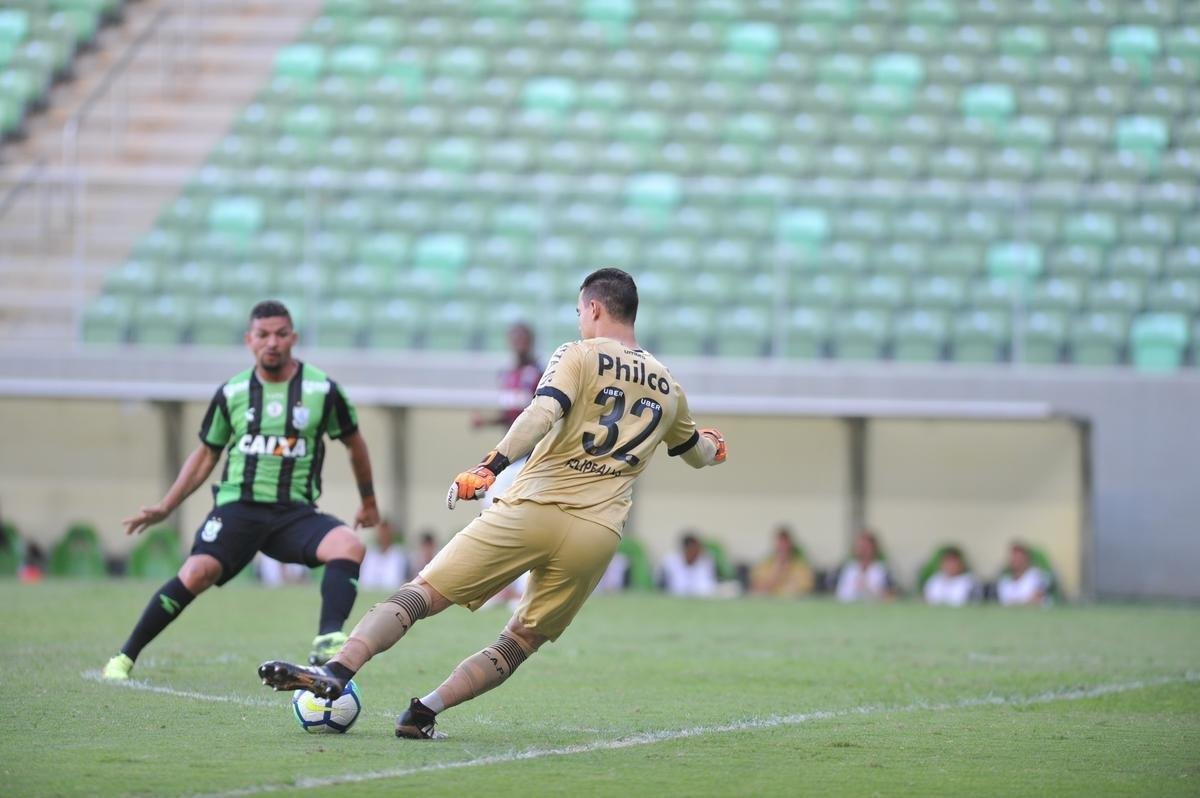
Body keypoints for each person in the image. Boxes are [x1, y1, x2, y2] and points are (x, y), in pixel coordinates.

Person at [257, 267, 728, 740]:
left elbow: (543, 412)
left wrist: (491, 465)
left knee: (422, 595)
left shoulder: (578, 353)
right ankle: (425, 712)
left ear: (594, 308)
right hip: (597, 536)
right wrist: (711, 444)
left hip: (535, 508)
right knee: (520, 640)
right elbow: (696, 455)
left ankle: (338, 670)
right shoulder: (668, 385)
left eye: (579, 310)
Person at [102, 300, 378, 681]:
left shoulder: (321, 389)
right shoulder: (232, 392)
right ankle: (123, 658)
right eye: (263, 335)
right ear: (249, 340)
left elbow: (355, 444)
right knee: (197, 571)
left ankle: (328, 639)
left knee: (349, 545)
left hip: (293, 514)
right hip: (239, 509)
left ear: (293, 338)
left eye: (281, 334)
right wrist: (166, 506)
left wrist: (368, 503)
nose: (272, 343)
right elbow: (205, 455)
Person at [749, 526, 814, 598]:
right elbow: (756, 588)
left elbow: (806, 589)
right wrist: (776, 573)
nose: (782, 547)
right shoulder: (765, 564)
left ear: (790, 545)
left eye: (785, 543)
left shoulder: (800, 566)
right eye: (780, 544)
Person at [835, 529, 894, 602]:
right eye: (860, 546)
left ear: (874, 548)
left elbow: (890, 596)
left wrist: (870, 589)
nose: (863, 549)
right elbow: (840, 594)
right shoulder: (849, 568)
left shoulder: (882, 569)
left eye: (866, 546)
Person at [659, 532, 719, 597]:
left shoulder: (706, 561)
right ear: (686, 549)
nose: (698, 551)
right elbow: (668, 586)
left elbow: (709, 588)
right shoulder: (670, 561)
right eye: (694, 548)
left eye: (699, 548)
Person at [359, 519, 409, 590]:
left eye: (386, 531)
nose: (384, 535)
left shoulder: (400, 556)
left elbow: (399, 581)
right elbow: (364, 580)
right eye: (381, 531)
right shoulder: (369, 554)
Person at [996, 542, 1050, 606]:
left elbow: (1038, 599)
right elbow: (1004, 602)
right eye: (1013, 557)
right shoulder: (1005, 581)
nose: (1015, 560)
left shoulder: (1036, 575)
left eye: (1019, 557)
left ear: (1026, 559)